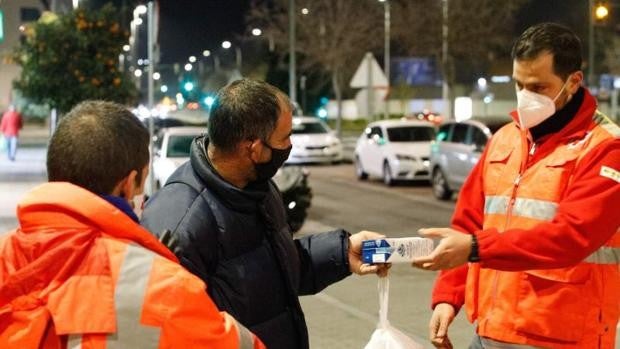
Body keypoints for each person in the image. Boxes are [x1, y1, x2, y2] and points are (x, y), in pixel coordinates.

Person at [413, 22, 619, 349]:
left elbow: (572, 236)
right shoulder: (504, 140)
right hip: (493, 329)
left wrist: (476, 248)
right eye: (519, 85)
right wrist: (448, 297)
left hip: (562, 336)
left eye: (538, 88)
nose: (525, 98)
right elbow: (468, 224)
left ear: (574, 81)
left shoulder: (606, 149)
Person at [141, 79, 388, 349]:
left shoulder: (257, 186)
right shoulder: (180, 222)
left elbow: (272, 272)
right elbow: (173, 333)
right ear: (254, 148)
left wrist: (342, 251)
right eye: (284, 138)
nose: (290, 145)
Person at [0, 101, 265, 348]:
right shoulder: (161, 286)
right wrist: (162, 273)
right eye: (144, 180)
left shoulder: (5, 253)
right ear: (128, 185)